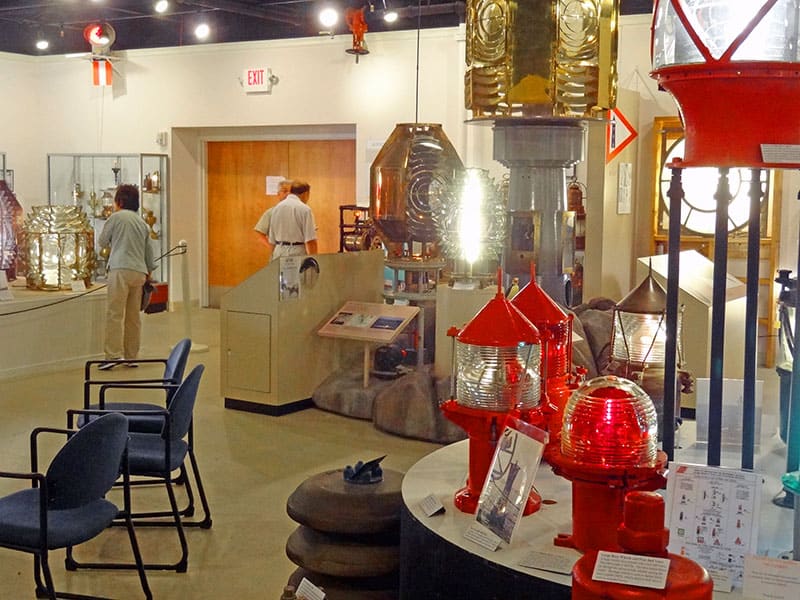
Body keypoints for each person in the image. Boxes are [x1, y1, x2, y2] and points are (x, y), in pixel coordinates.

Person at [97, 184, 156, 369]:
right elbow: (149, 254)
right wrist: (149, 274)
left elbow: (102, 241)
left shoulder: (116, 218)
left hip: (119, 269)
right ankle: (132, 356)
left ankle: (113, 356)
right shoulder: (142, 223)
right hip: (139, 272)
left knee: (115, 314)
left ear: (120, 201)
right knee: (133, 317)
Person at [267, 180, 318, 261]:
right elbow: (310, 240)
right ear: (306, 194)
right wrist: (315, 260)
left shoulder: (276, 208)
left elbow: (271, 239)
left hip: (278, 251)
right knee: (297, 274)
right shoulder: (305, 209)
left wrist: (271, 257)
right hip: (296, 253)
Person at [254, 178, 292, 251]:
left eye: (291, 192)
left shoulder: (302, 211)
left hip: (299, 250)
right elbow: (260, 235)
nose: (288, 194)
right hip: (279, 250)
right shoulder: (271, 212)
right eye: (285, 191)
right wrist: (273, 249)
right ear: (278, 194)